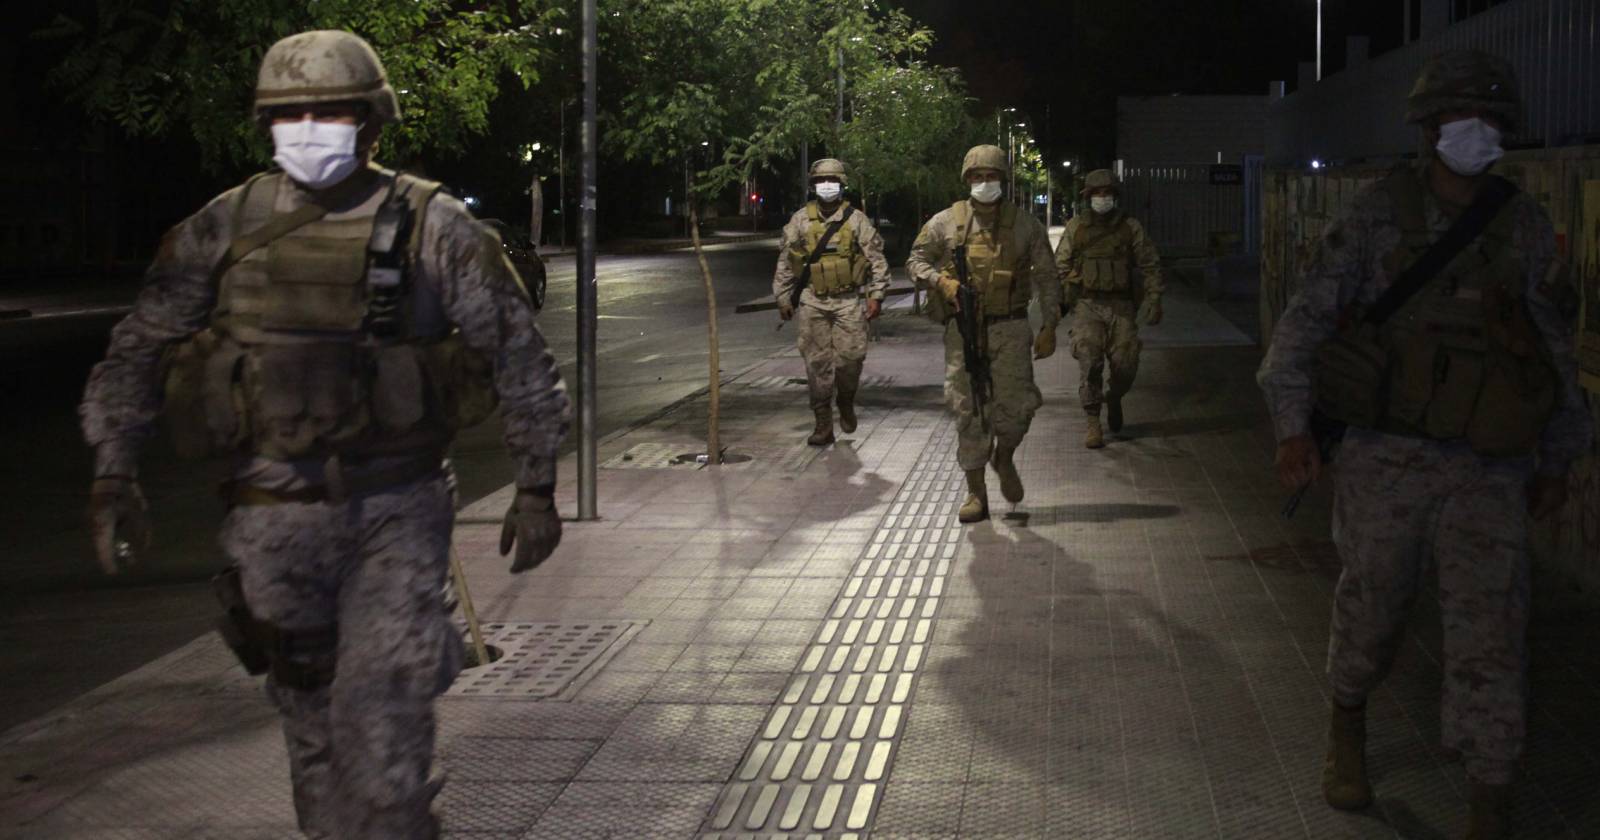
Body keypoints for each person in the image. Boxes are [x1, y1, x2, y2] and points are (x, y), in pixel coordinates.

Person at [79, 30, 571, 839]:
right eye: (290, 114)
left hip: (395, 513)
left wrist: (537, 486)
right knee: (312, 741)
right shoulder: (222, 227)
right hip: (270, 521)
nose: (309, 129)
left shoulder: (434, 225)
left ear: (372, 122)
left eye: (332, 113)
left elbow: (517, 354)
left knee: (385, 743)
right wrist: (114, 471)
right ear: (265, 124)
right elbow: (138, 348)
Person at [1257, 49, 1590, 839]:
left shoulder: (1523, 226)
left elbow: (1552, 354)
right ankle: (1347, 720)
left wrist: (1558, 459)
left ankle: (1489, 793)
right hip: (1386, 456)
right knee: (1372, 609)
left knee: (1492, 630)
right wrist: (1293, 428)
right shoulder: (1378, 215)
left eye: (1491, 119)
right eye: (1461, 117)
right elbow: (1303, 327)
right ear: (1430, 127)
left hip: (1488, 467)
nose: (1477, 131)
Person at [906, 144, 1062, 522]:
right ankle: (976, 492)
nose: (984, 182)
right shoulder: (946, 222)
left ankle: (1003, 457)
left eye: (991, 176)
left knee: (1019, 408)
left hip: (1011, 327)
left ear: (1002, 180)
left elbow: (1047, 276)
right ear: (967, 180)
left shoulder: (1025, 225)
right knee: (968, 408)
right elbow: (916, 261)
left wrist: (1050, 326)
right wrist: (940, 281)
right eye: (977, 176)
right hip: (964, 329)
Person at [772, 158, 891, 445]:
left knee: (851, 359)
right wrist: (783, 297)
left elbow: (876, 260)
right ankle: (823, 423)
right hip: (813, 300)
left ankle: (846, 400)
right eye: (821, 181)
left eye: (832, 181)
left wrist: (876, 295)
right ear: (813, 186)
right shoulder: (800, 220)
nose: (827, 186)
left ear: (841, 185)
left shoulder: (856, 220)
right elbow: (786, 262)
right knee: (817, 364)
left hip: (847, 300)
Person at [1054, 168, 1163, 448]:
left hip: (1122, 305)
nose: (1102, 197)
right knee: (1090, 360)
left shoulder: (1130, 227)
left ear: (1115, 196)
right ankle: (1093, 420)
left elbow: (1150, 263)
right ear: (1088, 196)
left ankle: (1114, 397)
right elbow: (1060, 264)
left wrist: (1154, 298)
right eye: (1097, 193)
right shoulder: (1077, 227)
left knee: (1126, 364)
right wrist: (1069, 286)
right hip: (1088, 304)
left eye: (1107, 193)